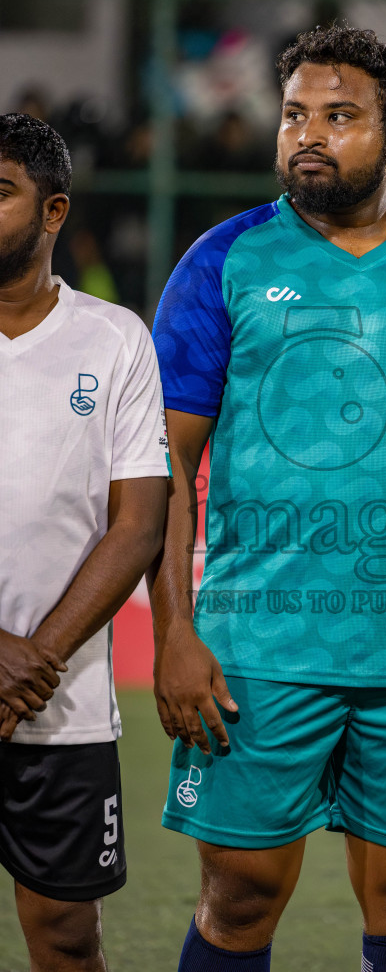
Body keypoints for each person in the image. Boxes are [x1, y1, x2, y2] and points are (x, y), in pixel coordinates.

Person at [150, 24, 386, 972]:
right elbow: (159, 468)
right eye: (293, 115)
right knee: (238, 901)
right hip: (256, 644)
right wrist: (173, 629)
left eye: (339, 116)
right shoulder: (222, 262)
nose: (308, 135)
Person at [0, 113, 170, 972]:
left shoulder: (114, 339)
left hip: (57, 708)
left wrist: (31, 664)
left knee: (66, 938)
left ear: (54, 210)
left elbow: (138, 524)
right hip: (24, 678)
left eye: (0, 193)